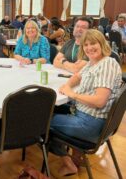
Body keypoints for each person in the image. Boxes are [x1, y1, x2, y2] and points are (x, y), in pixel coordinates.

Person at [50, 29, 122, 176]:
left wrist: (73, 94)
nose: (89, 48)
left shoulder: (107, 64)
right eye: (86, 45)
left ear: (102, 43)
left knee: (40, 122)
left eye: (93, 43)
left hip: (90, 123)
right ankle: (76, 156)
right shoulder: (93, 62)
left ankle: (69, 163)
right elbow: (77, 76)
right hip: (88, 117)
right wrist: (68, 85)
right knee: (52, 110)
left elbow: (99, 101)